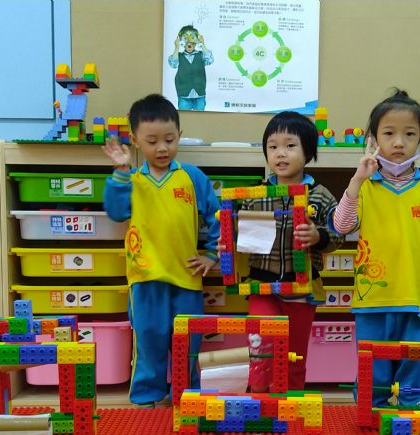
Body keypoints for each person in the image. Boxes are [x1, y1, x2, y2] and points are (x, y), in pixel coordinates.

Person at [330, 89, 420, 406]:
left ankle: (416, 414)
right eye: (389, 134)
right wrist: (356, 181)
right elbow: (341, 226)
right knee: (373, 370)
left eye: (409, 134)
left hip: (418, 300)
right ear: (373, 140)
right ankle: (371, 415)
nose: (399, 143)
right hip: (372, 300)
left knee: (418, 365)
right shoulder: (365, 188)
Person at [102, 93, 220, 405]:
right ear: (135, 141)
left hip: (186, 278)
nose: (162, 148)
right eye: (152, 141)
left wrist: (212, 254)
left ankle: (186, 397)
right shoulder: (131, 180)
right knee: (149, 338)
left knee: (187, 343)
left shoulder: (192, 177)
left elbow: (218, 216)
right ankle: (146, 398)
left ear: (179, 134)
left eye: (169, 139)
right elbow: (116, 212)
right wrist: (120, 172)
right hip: (144, 278)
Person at [239, 111, 342, 392]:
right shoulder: (256, 195)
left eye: (290, 145)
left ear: (308, 152)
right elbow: (241, 236)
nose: (280, 153)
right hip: (262, 285)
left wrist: (318, 236)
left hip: (302, 289)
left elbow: (338, 233)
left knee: (294, 354)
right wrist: (230, 241)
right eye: (272, 147)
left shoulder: (320, 195)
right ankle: (259, 397)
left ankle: (291, 401)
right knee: (260, 347)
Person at [168, 25, 212, 111]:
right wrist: (176, 47)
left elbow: (210, 60)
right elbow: (173, 64)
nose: (189, 41)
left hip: (199, 95)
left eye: (192, 38)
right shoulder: (179, 56)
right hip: (184, 95)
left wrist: (202, 44)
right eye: (185, 38)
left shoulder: (201, 55)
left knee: (201, 117)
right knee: (184, 117)